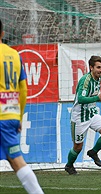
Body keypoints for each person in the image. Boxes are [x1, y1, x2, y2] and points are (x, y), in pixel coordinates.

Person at [0, 19, 44, 194]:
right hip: (10, 116)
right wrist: (18, 117)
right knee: (16, 160)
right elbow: (23, 89)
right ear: (3, 33)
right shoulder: (14, 55)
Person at [65, 55, 101, 175]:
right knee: (78, 147)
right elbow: (80, 98)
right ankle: (69, 166)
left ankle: (93, 152)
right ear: (91, 67)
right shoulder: (85, 80)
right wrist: (97, 97)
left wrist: (98, 96)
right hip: (80, 117)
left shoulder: (99, 78)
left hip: (91, 113)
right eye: (98, 67)